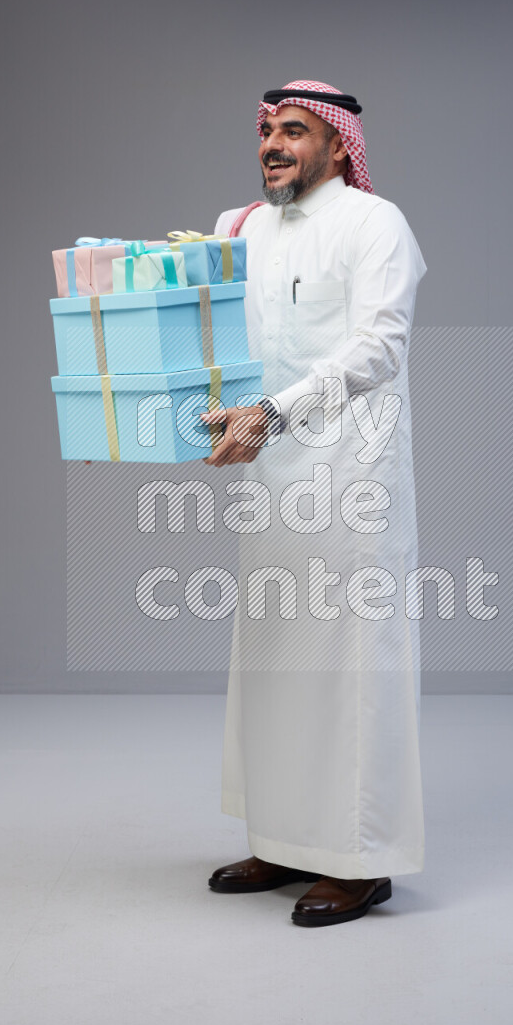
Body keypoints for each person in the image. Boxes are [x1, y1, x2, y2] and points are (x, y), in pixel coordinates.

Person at [200, 80, 426, 927]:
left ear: (338, 144)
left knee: (348, 666)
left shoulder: (377, 224)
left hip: (351, 478)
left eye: (294, 130)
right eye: (265, 130)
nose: (274, 144)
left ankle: (360, 862)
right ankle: (284, 840)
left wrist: (276, 413)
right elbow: (209, 329)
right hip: (267, 476)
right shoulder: (241, 228)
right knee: (273, 658)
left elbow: (380, 349)